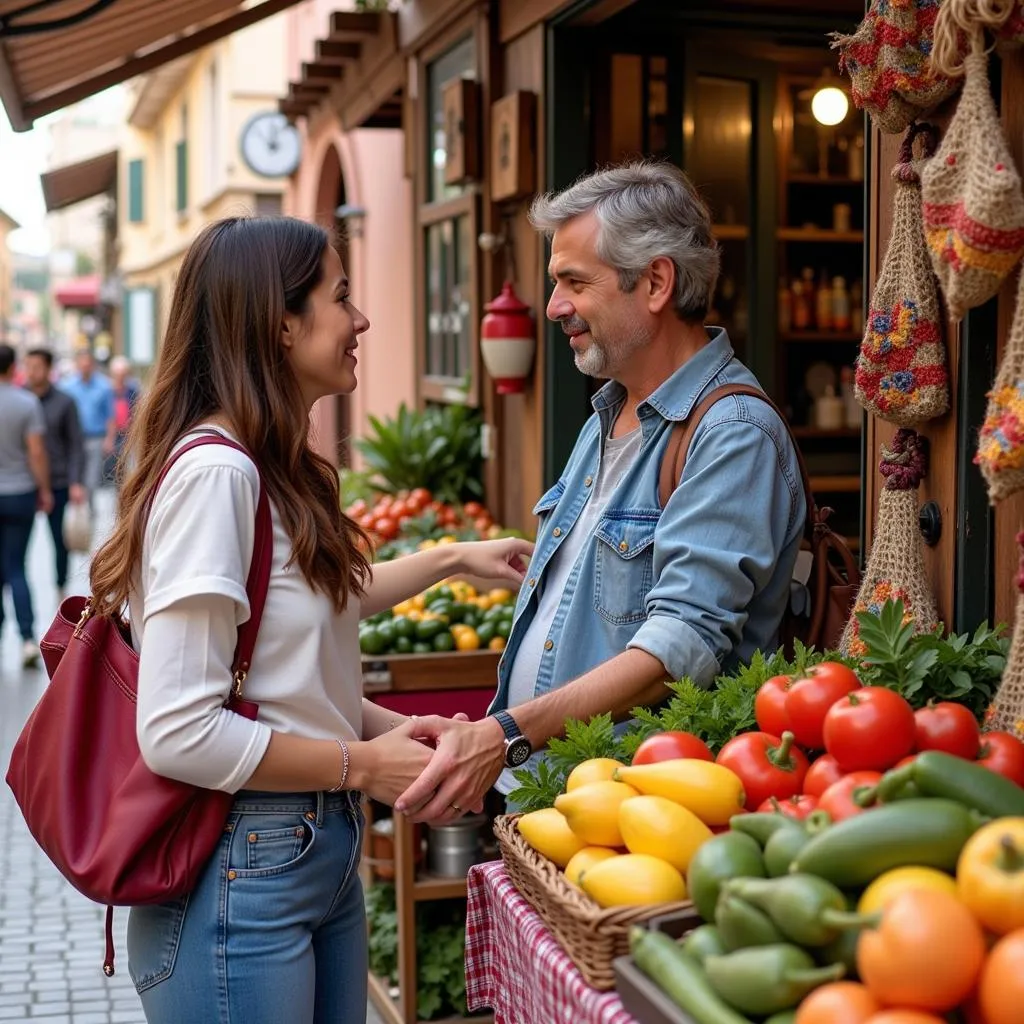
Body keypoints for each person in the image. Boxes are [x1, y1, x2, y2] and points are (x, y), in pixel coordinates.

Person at [86, 216, 533, 1023]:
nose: (360, 321)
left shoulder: (269, 466)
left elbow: (288, 654)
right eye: (342, 297)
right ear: (279, 322)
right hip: (239, 862)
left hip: (304, 852)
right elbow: (179, 730)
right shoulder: (218, 475)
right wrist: (362, 765)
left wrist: (447, 569)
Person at [394, 161, 806, 822]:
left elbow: (678, 648)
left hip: (634, 819)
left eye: (573, 283)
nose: (555, 306)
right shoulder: (607, 413)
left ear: (655, 282)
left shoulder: (732, 434)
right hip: (553, 800)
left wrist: (506, 734)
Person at [0, 343, 54, 667]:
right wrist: (44, 488)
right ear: (12, 368)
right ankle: (26, 639)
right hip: (20, 493)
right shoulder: (27, 402)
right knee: (16, 566)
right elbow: (36, 452)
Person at [23, 347, 87, 600]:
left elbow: (75, 444)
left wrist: (76, 482)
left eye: (36, 366)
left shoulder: (65, 402)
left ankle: (60, 589)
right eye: (27, 366)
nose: (31, 372)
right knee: (19, 545)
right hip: (25, 482)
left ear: (49, 370)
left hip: (59, 481)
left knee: (60, 542)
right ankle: (20, 591)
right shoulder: (21, 400)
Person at [59, 348, 115, 500]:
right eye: (82, 364)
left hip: (95, 437)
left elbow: (110, 415)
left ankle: (88, 511)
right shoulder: (66, 386)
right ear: (77, 364)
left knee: (91, 479)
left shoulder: (104, 386)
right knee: (74, 475)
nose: (85, 367)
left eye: (88, 364)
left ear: (93, 365)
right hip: (72, 439)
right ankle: (75, 508)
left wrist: (109, 439)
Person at [107, 354, 140, 482]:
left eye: (123, 374)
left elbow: (137, 408)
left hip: (128, 433)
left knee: (129, 466)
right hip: (111, 433)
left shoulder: (132, 390)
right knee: (112, 468)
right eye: (118, 374)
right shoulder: (107, 390)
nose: (121, 377)